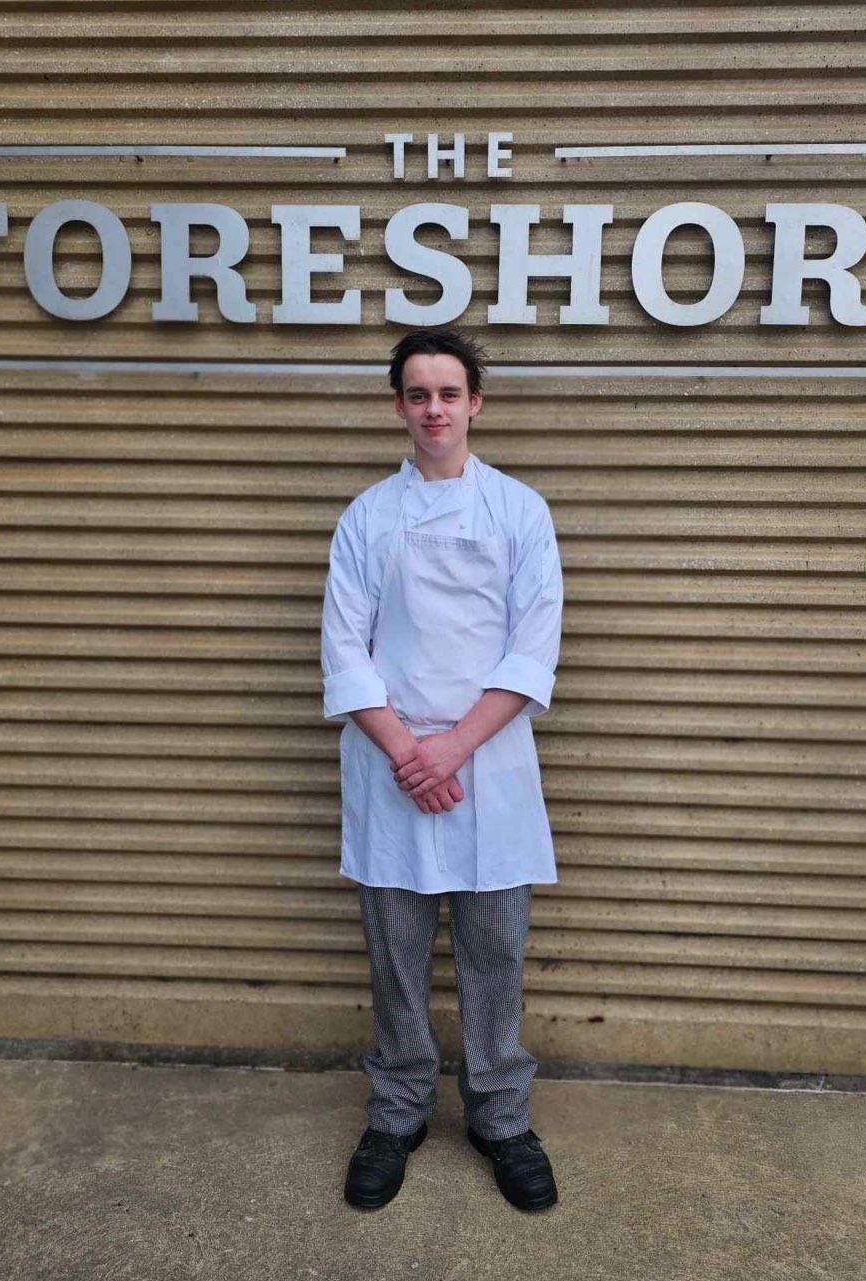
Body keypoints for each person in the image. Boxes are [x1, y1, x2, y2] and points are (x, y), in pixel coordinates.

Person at [319, 328, 565, 1213]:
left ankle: (502, 1116)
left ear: (475, 403)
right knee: (396, 957)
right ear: (398, 406)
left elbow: (533, 650)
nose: (434, 408)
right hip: (392, 768)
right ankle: (397, 1111)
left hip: (486, 769)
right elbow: (346, 652)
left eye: (449, 393)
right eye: (417, 393)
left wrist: (451, 750)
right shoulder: (366, 519)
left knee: (496, 952)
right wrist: (407, 753)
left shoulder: (520, 513)